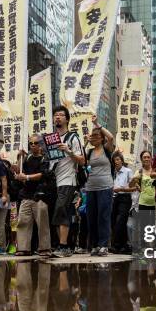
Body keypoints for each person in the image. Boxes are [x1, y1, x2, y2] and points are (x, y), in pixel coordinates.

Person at [50, 105, 85, 257]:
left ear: (67, 119)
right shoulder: (51, 138)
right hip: (54, 181)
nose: (57, 117)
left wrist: (68, 150)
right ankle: (63, 245)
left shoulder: (73, 137)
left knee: (61, 210)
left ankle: (63, 246)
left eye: (61, 115)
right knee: (58, 214)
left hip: (68, 179)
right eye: (55, 115)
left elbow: (82, 160)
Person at [15, 134, 52, 257]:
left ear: (41, 145)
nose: (33, 145)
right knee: (23, 221)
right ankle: (23, 248)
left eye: (36, 143)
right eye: (31, 143)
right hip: (26, 194)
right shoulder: (27, 158)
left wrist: (27, 177)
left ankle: (44, 248)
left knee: (42, 223)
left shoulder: (45, 159)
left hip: (40, 195)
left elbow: (42, 174)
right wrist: (19, 156)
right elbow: (18, 170)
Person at [84, 118, 115, 257]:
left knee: (103, 216)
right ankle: (95, 245)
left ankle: (103, 245)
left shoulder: (107, 149)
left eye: (96, 136)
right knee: (91, 217)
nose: (94, 138)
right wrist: (85, 141)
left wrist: (97, 125)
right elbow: (79, 159)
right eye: (92, 136)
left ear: (102, 138)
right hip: (90, 188)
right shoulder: (89, 152)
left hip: (105, 187)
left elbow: (111, 137)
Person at [111, 151, 135, 254]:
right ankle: (124, 245)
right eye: (114, 160)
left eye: (118, 159)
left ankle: (116, 245)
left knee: (120, 221)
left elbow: (134, 187)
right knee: (113, 222)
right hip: (113, 199)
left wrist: (121, 189)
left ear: (122, 160)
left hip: (125, 198)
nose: (116, 162)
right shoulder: (112, 172)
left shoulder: (128, 171)